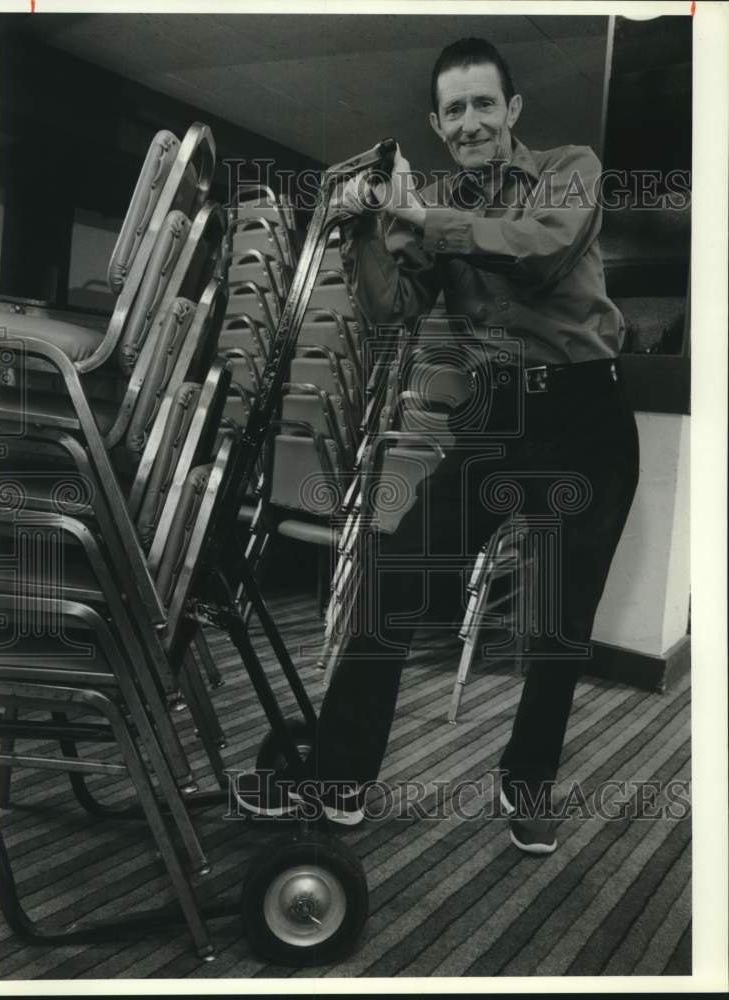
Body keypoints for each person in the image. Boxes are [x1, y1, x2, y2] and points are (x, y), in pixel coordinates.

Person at [233, 37, 640, 854]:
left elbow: (544, 249)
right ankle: (342, 779)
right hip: (494, 421)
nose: (470, 123)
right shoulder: (433, 207)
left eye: (483, 104)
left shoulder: (572, 168)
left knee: (560, 623)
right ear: (436, 122)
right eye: (453, 110)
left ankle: (527, 784)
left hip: (587, 418)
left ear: (512, 110)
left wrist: (426, 219)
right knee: (393, 579)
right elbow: (392, 311)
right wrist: (364, 235)